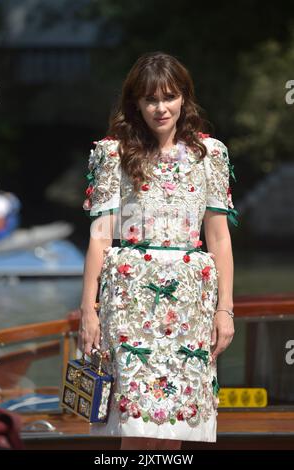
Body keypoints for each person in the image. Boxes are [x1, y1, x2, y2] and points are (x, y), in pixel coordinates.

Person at [80, 51, 238, 450]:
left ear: (184, 97)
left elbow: (218, 239)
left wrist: (225, 308)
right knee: (133, 427)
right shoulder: (113, 153)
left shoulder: (210, 155)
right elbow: (101, 235)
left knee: (175, 432)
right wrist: (88, 310)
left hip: (189, 303)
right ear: (136, 102)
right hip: (129, 301)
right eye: (150, 99)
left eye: (169, 96)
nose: (160, 107)